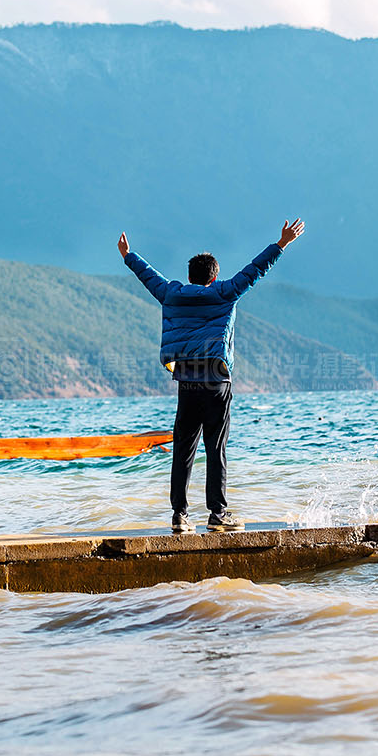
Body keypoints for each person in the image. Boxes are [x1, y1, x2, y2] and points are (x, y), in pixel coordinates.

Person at [118, 219, 305, 533]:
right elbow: (255, 269)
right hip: (217, 382)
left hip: (187, 381)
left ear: (189, 277)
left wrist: (128, 255)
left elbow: (148, 277)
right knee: (215, 448)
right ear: (214, 276)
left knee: (183, 449)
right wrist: (281, 244)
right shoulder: (225, 292)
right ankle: (218, 514)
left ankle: (180, 515)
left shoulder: (172, 293)